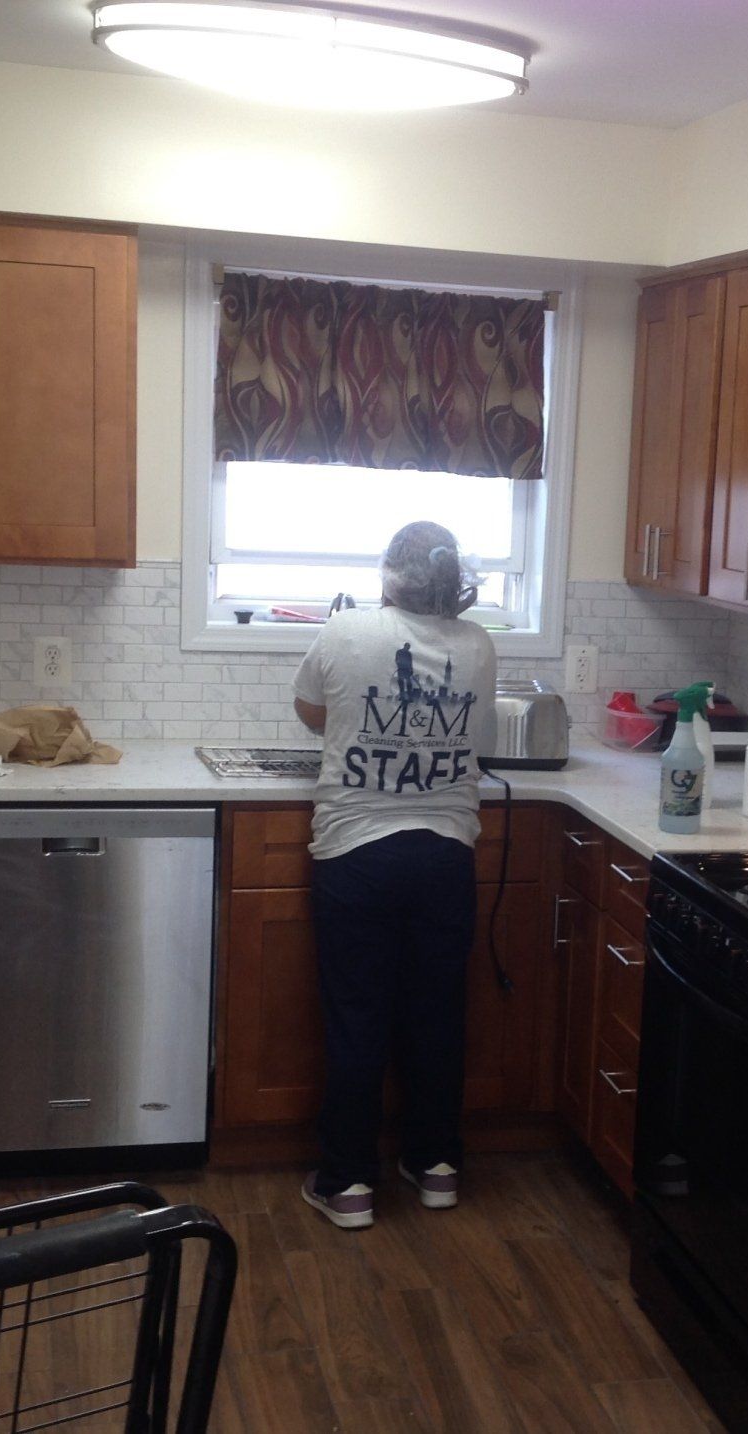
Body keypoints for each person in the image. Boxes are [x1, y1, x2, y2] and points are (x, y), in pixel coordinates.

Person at [291, 520, 497, 1230]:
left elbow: (311, 712)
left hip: (358, 851)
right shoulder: (478, 644)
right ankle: (436, 1167)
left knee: (358, 1017)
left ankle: (348, 1184)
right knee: (437, 1015)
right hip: (446, 854)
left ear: (389, 574)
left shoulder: (346, 629)